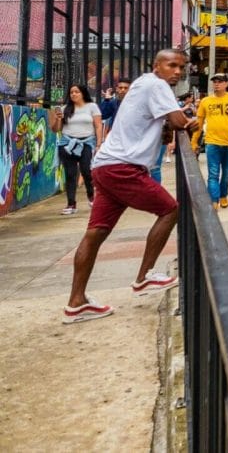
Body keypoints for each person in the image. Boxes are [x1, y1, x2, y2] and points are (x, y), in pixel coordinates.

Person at [63, 50, 197, 323]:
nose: (177, 72)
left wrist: (172, 125)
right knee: (171, 209)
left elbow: (161, 129)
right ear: (156, 65)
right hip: (122, 168)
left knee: (95, 234)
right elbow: (177, 122)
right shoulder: (157, 84)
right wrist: (191, 122)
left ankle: (76, 303)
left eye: (181, 67)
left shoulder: (142, 84)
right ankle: (144, 277)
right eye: (172, 65)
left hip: (104, 166)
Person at [194, 72, 228, 210]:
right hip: (212, 142)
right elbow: (199, 122)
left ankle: (223, 195)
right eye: (215, 81)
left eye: (220, 81)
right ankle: (214, 200)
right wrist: (194, 141)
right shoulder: (206, 101)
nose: (217, 83)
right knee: (213, 173)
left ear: (226, 83)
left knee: (227, 173)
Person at [52, 83, 103, 215]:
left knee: (86, 170)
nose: (73, 94)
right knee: (70, 174)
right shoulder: (64, 109)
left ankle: (91, 196)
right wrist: (58, 119)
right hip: (67, 143)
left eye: (76, 92)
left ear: (83, 93)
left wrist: (98, 144)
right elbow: (55, 129)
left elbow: (98, 126)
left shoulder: (92, 107)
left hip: (87, 143)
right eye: (71, 92)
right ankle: (71, 204)